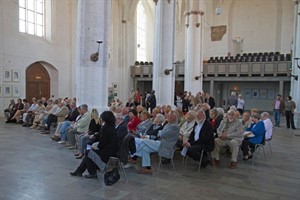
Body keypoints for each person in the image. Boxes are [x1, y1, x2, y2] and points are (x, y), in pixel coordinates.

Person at [70, 111, 119, 178]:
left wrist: (96, 147)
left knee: (88, 152)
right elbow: (102, 136)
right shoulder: (111, 127)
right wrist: (96, 136)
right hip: (110, 150)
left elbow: (102, 143)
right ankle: (80, 171)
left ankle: (89, 172)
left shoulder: (106, 128)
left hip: (107, 152)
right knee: (88, 153)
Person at [129, 110, 180, 174]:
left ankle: (133, 156)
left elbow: (161, 134)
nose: (166, 116)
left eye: (168, 115)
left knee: (143, 141)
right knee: (145, 149)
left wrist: (160, 133)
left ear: (173, 117)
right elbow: (161, 133)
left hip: (165, 146)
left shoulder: (174, 126)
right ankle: (148, 168)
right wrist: (160, 133)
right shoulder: (169, 124)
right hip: (160, 142)